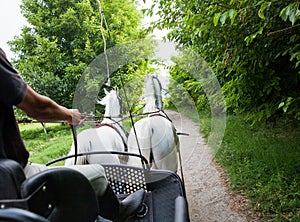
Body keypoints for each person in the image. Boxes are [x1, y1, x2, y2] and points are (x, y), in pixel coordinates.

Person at [0, 47, 145, 222]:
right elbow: (37, 107)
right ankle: (120, 211)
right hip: (13, 177)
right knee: (98, 174)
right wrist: (70, 115)